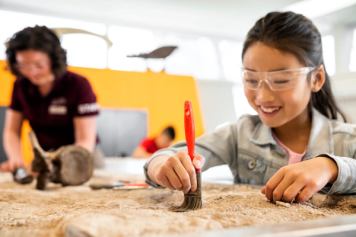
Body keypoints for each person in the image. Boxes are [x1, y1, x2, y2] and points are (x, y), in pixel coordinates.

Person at [144, 11, 356, 203]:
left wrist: (330, 168)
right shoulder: (239, 134)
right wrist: (163, 166)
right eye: (251, 79)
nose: (263, 96)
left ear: (316, 79)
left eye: (281, 80)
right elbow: (164, 157)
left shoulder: (346, 140)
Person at [0, 25, 103, 177]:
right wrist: (16, 159)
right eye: (23, 65)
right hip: (44, 157)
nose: (31, 72)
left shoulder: (79, 84)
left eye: (38, 65)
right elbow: (11, 131)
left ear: (53, 59)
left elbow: (85, 141)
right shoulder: (20, 85)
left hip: (82, 156)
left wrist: (56, 163)